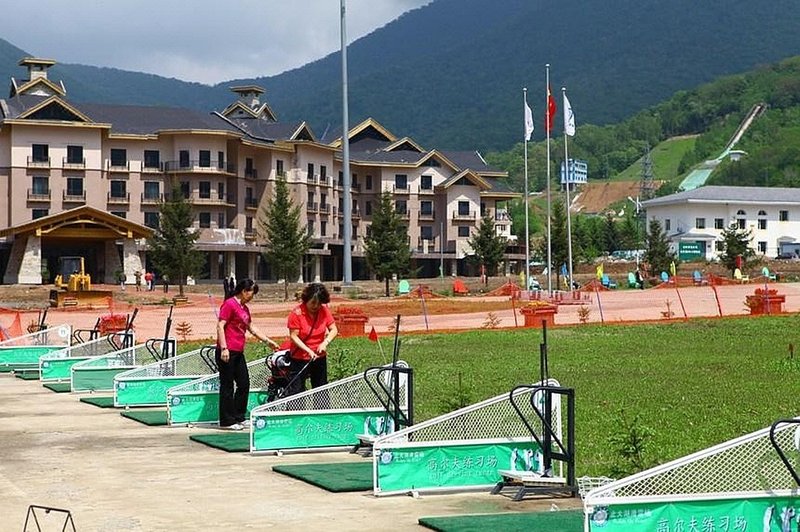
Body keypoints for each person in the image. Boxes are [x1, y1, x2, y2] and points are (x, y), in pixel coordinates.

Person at [216, 278, 279, 430]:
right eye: (251, 292)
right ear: (244, 291)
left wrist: (267, 341)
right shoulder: (229, 304)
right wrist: (224, 348)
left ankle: (239, 416)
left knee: (244, 384)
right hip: (227, 351)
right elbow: (220, 325)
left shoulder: (244, 309)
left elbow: (251, 327)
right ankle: (227, 421)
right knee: (227, 386)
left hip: (239, 351)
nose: (252, 296)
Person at [285, 283, 338, 396]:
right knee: (297, 392)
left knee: (321, 391)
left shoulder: (324, 311)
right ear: (306, 300)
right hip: (300, 358)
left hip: (319, 356)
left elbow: (334, 329)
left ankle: (321, 408)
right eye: (313, 303)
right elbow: (294, 336)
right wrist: (308, 350)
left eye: (319, 303)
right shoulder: (296, 313)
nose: (316, 306)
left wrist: (325, 343)